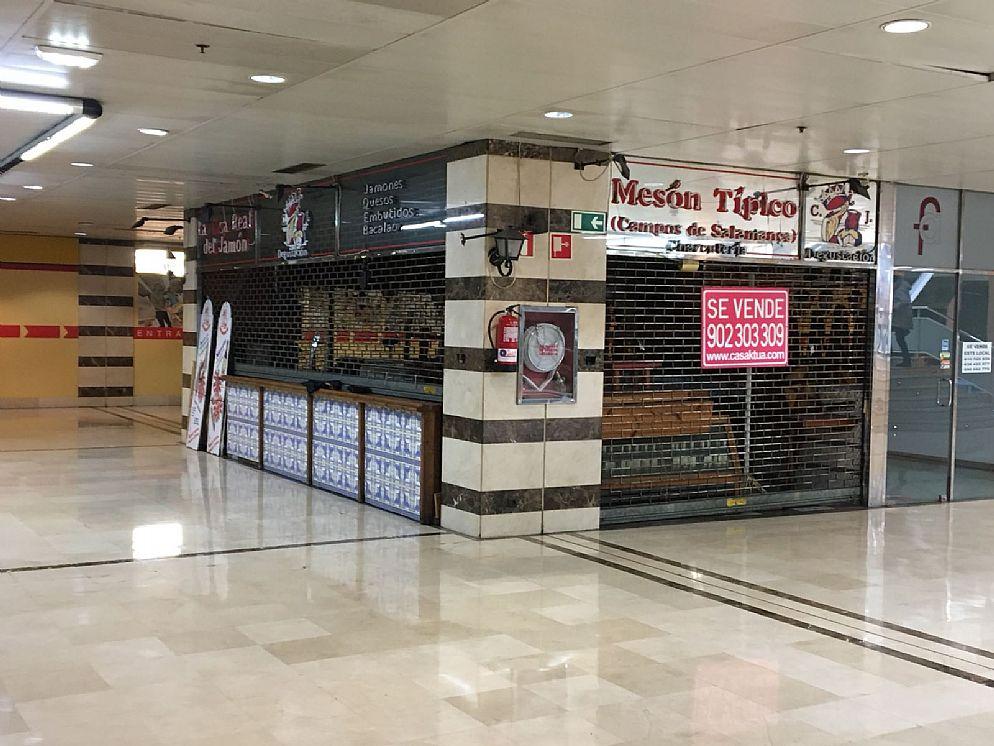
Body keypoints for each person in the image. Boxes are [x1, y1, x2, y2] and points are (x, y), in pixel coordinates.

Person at [892, 276, 913, 367]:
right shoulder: (902, 286)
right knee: (899, 338)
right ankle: (906, 359)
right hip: (900, 318)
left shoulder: (900, 287)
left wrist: (893, 307)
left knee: (899, 338)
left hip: (900, 317)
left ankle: (907, 360)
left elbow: (903, 301)